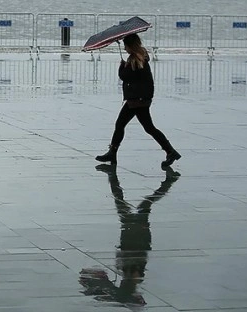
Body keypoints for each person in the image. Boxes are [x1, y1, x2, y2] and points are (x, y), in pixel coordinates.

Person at [79, 163, 180, 306]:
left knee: (139, 204)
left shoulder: (133, 275)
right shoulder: (133, 273)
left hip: (137, 236)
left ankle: (167, 183)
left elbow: (137, 254)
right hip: (135, 235)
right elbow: (133, 254)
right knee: (139, 204)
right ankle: (167, 183)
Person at [95, 33, 181, 168]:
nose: (124, 49)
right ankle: (170, 151)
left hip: (137, 100)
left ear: (130, 46)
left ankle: (170, 151)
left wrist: (121, 66)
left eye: (125, 46)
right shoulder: (140, 57)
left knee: (127, 125)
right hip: (139, 98)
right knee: (143, 127)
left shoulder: (135, 60)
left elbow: (125, 76)